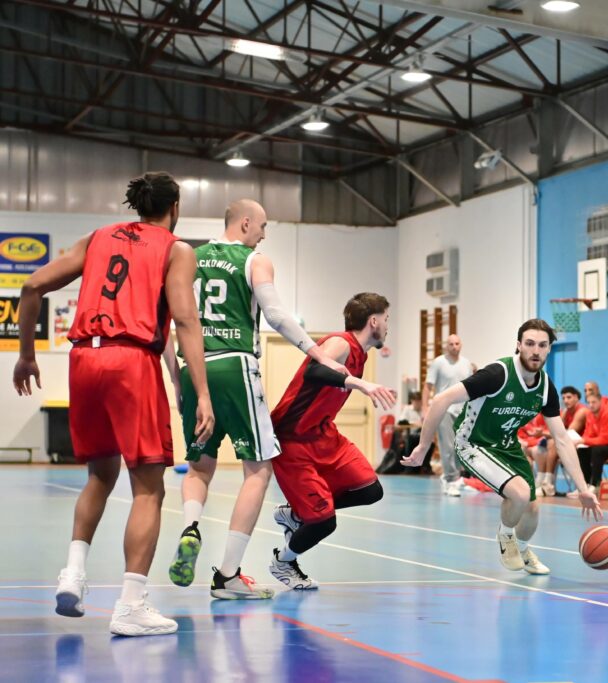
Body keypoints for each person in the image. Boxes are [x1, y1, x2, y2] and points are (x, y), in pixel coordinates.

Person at [12, 172, 214, 636]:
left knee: (100, 476)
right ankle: (131, 605)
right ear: (175, 207)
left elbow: (31, 288)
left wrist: (26, 355)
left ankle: (72, 575)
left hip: (84, 359)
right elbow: (185, 319)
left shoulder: (97, 238)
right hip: (131, 362)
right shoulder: (176, 249)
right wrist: (201, 392)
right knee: (149, 488)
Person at [168, 199, 350, 600]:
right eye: (263, 226)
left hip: (193, 367)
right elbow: (276, 315)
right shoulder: (254, 260)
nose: (264, 235)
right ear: (246, 222)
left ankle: (190, 527)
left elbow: (168, 323)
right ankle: (228, 574)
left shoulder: (186, 258)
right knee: (258, 469)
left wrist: (177, 379)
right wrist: (317, 353)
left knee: (198, 467)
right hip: (235, 365)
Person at [401, 319, 602, 575]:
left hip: (507, 447)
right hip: (473, 443)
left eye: (542, 345)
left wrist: (583, 489)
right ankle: (506, 536)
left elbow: (561, 439)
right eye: (529, 343)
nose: (536, 351)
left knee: (532, 508)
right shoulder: (497, 374)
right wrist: (422, 446)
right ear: (519, 345)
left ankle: (523, 549)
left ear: (549, 349)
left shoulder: (545, 388)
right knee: (519, 494)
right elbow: (441, 399)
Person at [267, 292, 396, 589]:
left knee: (370, 490)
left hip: (324, 434)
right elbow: (315, 370)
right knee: (324, 522)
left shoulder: (361, 354)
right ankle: (283, 562)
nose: (387, 326)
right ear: (373, 321)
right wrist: (358, 383)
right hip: (294, 438)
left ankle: (295, 513)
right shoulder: (341, 342)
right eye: (386, 319)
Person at [424, 334, 475, 497]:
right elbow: (428, 386)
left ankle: (455, 478)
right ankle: (450, 480)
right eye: (451, 344)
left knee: (460, 445)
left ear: (461, 345)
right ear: (446, 346)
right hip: (444, 409)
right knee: (447, 446)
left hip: (462, 410)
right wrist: (425, 409)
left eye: (457, 343)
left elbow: (471, 387)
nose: (454, 346)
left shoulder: (466, 364)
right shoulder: (439, 362)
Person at [533, 385, 588, 497]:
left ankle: (547, 484)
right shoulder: (566, 411)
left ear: (576, 397)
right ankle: (544, 482)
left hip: (583, 444)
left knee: (554, 443)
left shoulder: (582, 411)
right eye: (563, 398)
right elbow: (556, 430)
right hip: (571, 444)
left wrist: (543, 433)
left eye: (569, 397)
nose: (566, 401)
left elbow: (565, 434)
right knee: (543, 447)